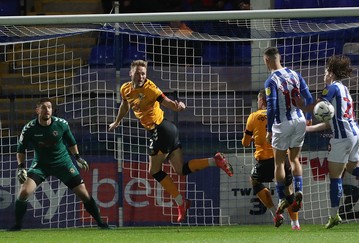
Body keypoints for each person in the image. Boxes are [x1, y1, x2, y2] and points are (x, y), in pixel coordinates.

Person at [108, 59, 233, 223]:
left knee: (154, 171)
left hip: (161, 130)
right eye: (137, 73)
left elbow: (166, 102)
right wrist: (117, 122)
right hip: (168, 130)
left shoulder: (150, 88)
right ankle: (215, 161)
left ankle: (181, 203)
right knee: (180, 170)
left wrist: (177, 106)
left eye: (143, 73)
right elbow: (125, 105)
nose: (140, 76)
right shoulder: (125, 89)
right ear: (131, 73)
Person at [298, 55, 359, 229]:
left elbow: (319, 106)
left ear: (332, 73)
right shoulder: (345, 90)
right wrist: (309, 129)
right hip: (356, 133)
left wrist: (302, 108)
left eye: (326, 71)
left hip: (342, 137)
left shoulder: (331, 88)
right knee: (351, 168)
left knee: (335, 177)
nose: (324, 75)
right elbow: (330, 120)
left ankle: (334, 216)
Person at [8, 98, 109, 231]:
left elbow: (72, 142)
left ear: (52, 110)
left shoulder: (61, 124)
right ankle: (17, 226)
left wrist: (78, 158)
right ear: (37, 110)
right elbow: (21, 150)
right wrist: (21, 167)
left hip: (63, 164)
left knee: (84, 194)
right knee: (24, 192)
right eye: (43, 107)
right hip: (40, 165)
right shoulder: (29, 128)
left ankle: (100, 223)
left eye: (49, 107)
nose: (47, 110)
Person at [263, 47, 314, 225]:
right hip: (299, 120)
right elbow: (308, 97)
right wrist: (308, 117)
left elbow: (272, 107)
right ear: (280, 58)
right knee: (295, 160)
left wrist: (269, 129)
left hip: (282, 124)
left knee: (279, 162)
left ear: (266, 60)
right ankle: (299, 190)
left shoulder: (271, 80)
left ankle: (282, 198)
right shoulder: (295, 74)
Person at [242, 89, 300, 230]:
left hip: (265, 161)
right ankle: (295, 224)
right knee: (288, 188)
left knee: (254, 180)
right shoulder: (280, 115)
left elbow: (245, 143)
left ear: (261, 100)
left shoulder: (253, 117)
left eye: (258, 99)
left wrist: (255, 135)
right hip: (282, 156)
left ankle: (275, 213)